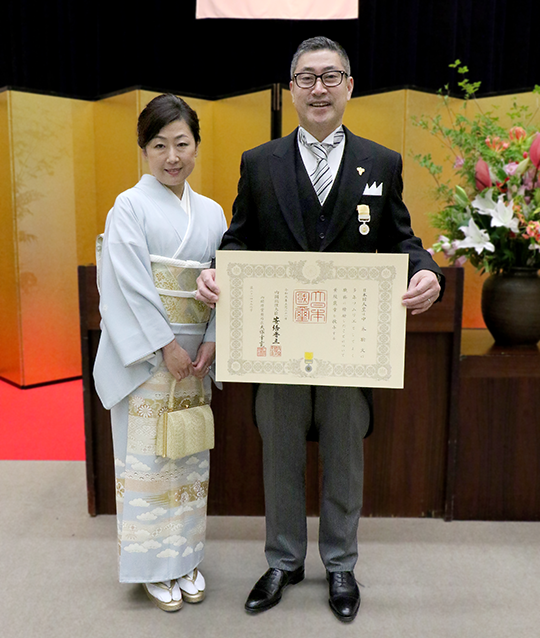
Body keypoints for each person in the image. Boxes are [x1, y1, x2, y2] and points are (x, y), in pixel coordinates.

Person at [196, 37, 443, 623]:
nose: (319, 88)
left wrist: (426, 270)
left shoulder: (381, 163)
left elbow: (403, 240)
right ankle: (282, 560)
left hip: (349, 347)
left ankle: (340, 563)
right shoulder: (260, 162)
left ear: (350, 86)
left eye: (331, 76)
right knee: (278, 449)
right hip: (277, 344)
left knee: (344, 450)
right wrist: (217, 269)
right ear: (292, 89)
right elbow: (240, 237)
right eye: (306, 78)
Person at [93, 94, 227, 612]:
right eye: (159, 145)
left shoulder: (213, 212)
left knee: (189, 459)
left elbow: (227, 279)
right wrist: (166, 345)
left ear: (196, 146)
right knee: (149, 461)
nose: (173, 156)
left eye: (183, 144)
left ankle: (186, 557)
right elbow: (124, 285)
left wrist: (211, 340)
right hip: (149, 359)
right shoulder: (128, 206)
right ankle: (153, 566)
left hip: (195, 361)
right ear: (144, 150)